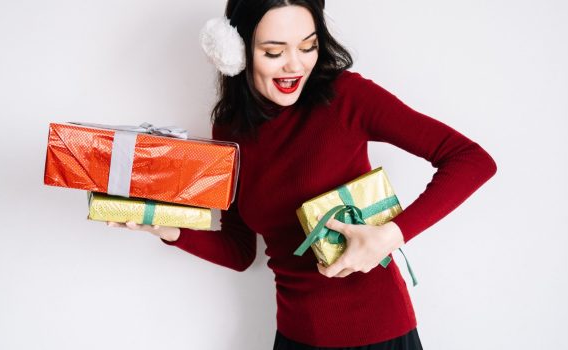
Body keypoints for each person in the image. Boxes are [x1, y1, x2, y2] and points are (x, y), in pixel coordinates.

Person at [107, 0, 497, 348]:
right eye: (274, 51)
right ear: (236, 52)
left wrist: (389, 237)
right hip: (294, 337)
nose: (296, 64)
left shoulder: (348, 98)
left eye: (308, 46)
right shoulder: (231, 129)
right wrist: (161, 225)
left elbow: (471, 159)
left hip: (378, 335)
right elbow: (240, 250)